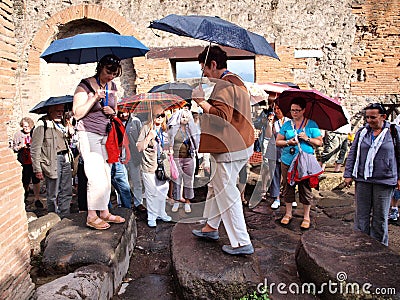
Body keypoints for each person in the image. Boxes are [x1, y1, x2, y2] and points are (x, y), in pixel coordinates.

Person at [191, 45, 255, 255]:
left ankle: (241, 241)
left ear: (214, 64)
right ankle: (211, 227)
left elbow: (221, 117)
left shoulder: (224, 85)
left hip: (229, 148)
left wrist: (201, 102)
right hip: (240, 144)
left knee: (227, 192)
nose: (205, 75)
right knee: (216, 187)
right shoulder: (237, 81)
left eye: (205, 70)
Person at [73, 54, 125, 230]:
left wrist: (113, 111)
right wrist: (94, 98)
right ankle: (91, 215)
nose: (110, 76)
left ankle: (104, 212)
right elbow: (77, 113)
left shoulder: (112, 86)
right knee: (95, 175)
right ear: (100, 67)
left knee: (105, 174)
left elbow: (115, 110)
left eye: (114, 73)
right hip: (88, 133)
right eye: (108, 72)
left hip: (106, 135)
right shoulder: (84, 85)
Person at [344, 103, 400, 246]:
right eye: (367, 117)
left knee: (380, 217)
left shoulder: (394, 132)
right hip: (363, 179)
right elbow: (353, 153)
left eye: (373, 117)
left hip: (384, 181)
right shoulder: (362, 132)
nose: (369, 120)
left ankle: (379, 247)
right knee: (361, 215)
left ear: (383, 117)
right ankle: (360, 242)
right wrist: (348, 173)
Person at [276, 97, 323, 229]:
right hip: (287, 160)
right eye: (292, 110)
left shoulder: (311, 124)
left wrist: (307, 138)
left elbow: (319, 142)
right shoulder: (286, 124)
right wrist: (288, 142)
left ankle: (306, 216)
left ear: (303, 110)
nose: (294, 113)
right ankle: (288, 213)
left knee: (305, 187)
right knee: (287, 187)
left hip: (304, 161)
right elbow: (278, 142)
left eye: (297, 110)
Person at [30, 104, 73, 218]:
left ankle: (65, 216)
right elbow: (35, 148)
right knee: (53, 193)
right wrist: (37, 169)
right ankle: (53, 217)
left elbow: (68, 140)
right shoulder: (42, 124)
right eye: (57, 111)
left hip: (65, 157)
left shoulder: (63, 123)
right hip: (52, 160)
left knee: (67, 190)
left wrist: (69, 128)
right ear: (50, 111)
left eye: (62, 111)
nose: (60, 113)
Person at [136, 105, 172, 228]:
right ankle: (151, 216)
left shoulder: (164, 129)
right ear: (151, 115)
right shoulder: (146, 128)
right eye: (157, 115)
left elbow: (168, 145)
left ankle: (161, 213)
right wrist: (148, 137)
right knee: (151, 193)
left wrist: (169, 150)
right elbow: (139, 147)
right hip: (149, 165)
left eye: (163, 115)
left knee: (163, 191)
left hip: (163, 166)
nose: (160, 118)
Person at [167, 109, 199, 213]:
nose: (184, 119)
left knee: (188, 180)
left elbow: (196, 141)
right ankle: (177, 200)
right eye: (182, 117)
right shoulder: (173, 129)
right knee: (177, 180)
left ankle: (187, 201)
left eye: (186, 117)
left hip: (189, 157)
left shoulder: (191, 129)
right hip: (177, 157)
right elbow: (169, 141)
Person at [13, 117, 42, 208]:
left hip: (34, 160)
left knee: (36, 180)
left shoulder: (35, 132)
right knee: (25, 180)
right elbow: (14, 148)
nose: (26, 128)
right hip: (24, 161)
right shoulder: (18, 134)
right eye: (24, 126)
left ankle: (37, 198)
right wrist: (21, 146)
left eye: (27, 126)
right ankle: (25, 196)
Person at [320, 93, 352, 172]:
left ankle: (337, 169)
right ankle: (321, 168)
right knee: (330, 150)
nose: (341, 99)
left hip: (344, 133)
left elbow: (348, 122)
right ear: (334, 98)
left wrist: (349, 132)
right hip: (335, 133)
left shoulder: (344, 109)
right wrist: (323, 132)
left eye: (343, 98)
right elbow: (325, 120)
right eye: (339, 97)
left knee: (343, 151)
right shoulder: (331, 108)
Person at [269, 104, 292, 209]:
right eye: (275, 109)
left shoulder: (289, 122)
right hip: (275, 151)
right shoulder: (273, 122)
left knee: (289, 175)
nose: (276, 111)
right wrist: (269, 124)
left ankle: (289, 197)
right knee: (275, 174)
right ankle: (276, 197)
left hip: (287, 152)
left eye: (278, 108)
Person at [122, 111, 146, 212]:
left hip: (133, 155)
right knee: (123, 182)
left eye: (125, 112)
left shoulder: (136, 122)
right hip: (121, 156)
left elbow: (141, 138)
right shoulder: (116, 121)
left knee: (136, 180)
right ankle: (122, 203)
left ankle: (138, 202)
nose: (124, 114)